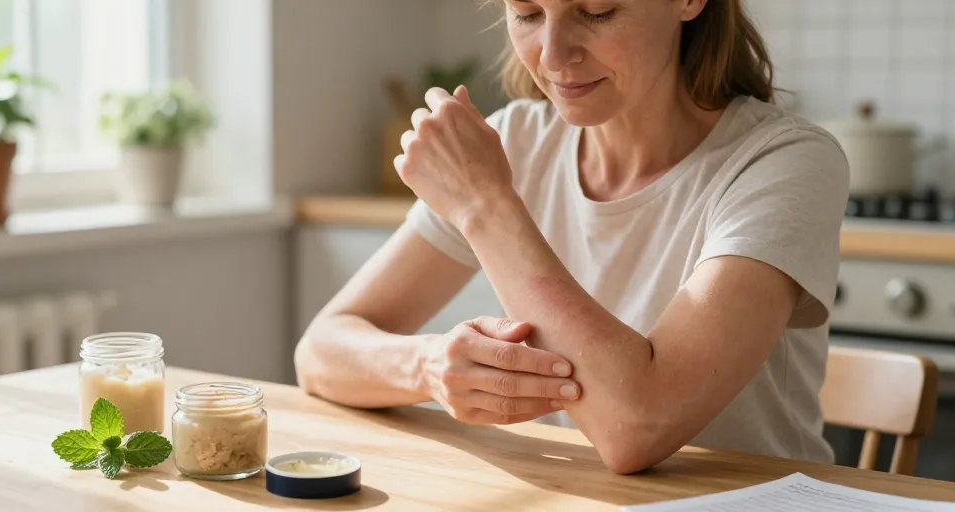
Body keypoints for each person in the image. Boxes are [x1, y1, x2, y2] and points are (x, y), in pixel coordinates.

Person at [294, 0, 849, 474]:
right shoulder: (516, 141)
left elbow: (637, 427)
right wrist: (431, 366)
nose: (553, 56)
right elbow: (320, 351)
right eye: (527, 13)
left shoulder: (784, 161)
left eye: (597, 12)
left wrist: (485, 206)